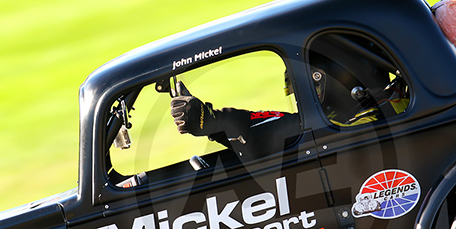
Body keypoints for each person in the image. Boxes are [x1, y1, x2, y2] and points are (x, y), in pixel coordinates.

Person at [169, 69, 408, 159]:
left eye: (306, 92)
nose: (299, 100)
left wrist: (216, 121)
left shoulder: (376, 115)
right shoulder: (388, 102)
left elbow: (283, 128)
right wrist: (216, 127)